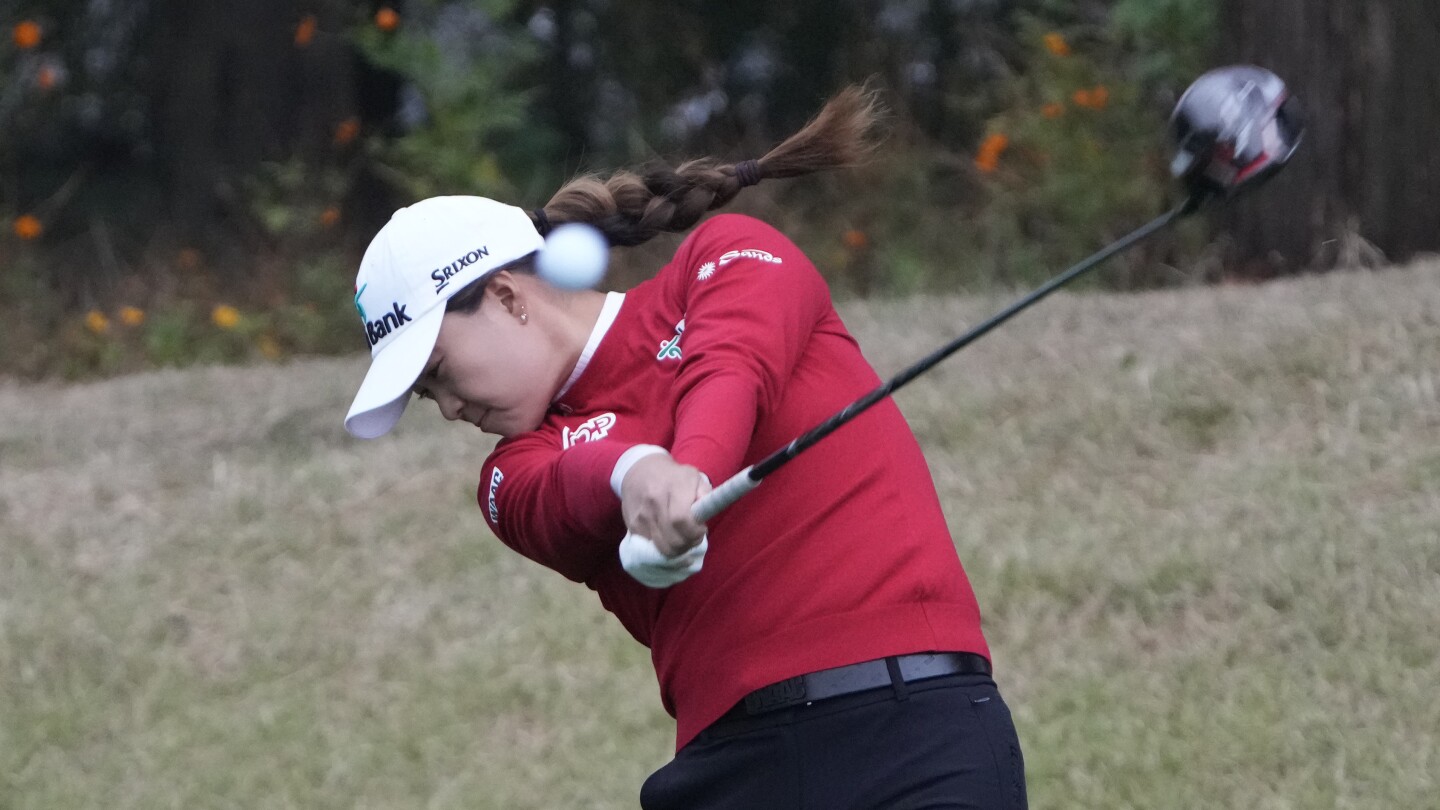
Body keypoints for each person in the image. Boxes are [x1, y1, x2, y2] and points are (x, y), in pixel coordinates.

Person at [343, 86, 1028, 810]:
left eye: (439, 372)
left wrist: (690, 466)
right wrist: (635, 472)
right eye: (426, 396)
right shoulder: (512, 473)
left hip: (919, 730)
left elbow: (733, 362)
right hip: (733, 771)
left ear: (510, 298)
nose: (449, 408)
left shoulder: (724, 255)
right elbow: (567, 490)